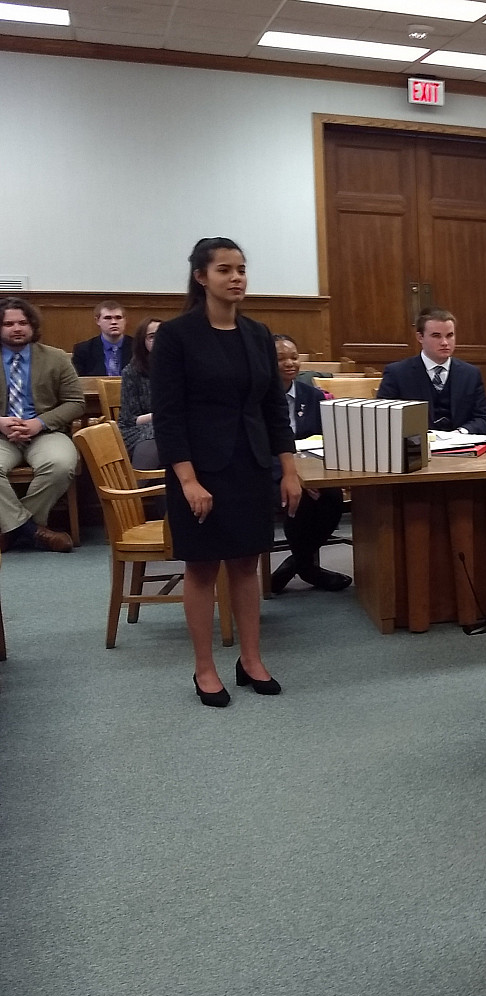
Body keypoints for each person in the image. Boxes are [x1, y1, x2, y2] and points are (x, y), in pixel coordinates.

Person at [153, 237, 300, 708]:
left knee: (246, 564)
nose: (236, 277)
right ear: (201, 277)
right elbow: (168, 415)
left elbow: (275, 409)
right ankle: (204, 668)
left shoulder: (258, 334)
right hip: (199, 471)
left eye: (241, 269)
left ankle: (251, 660)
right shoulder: (177, 336)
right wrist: (188, 480)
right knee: (201, 567)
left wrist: (289, 470)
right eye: (224, 270)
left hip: (251, 467)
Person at [270, 334, 352, 594]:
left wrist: (312, 478)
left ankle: (296, 564)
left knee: (332, 499)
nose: (289, 363)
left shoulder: (313, 396)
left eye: (293, 357)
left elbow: (324, 442)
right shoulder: (259, 397)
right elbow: (261, 447)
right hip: (273, 473)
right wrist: (295, 478)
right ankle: (309, 569)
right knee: (299, 501)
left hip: (313, 471)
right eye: (281, 358)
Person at [0, 297, 82, 552]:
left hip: (46, 432)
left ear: (32, 325)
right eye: (8, 323)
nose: (17, 328)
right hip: (2, 435)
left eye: (23, 322)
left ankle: (11, 530)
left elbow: (75, 403)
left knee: (60, 464)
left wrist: (40, 423)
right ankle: (33, 532)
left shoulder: (56, 358)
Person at [376, 307, 486, 434]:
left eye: (450, 335)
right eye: (436, 336)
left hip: (461, 446)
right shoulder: (397, 373)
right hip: (417, 448)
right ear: (420, 337)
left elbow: (483, 419)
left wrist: (460, 433)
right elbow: (384, 419)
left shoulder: (471, 374)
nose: (444, 342)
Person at [118, 317, 163, 469]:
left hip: (173, 424)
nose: (158, 341)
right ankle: (138, 489)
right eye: (152, 337)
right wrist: (162, 415)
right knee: (162, 432)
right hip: (135, 430)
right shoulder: (131, 372)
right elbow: (129, 420)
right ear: (142, 341)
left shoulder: (181, 368)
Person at [71, 300, 133, 376]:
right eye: (108, 318)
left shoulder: (139, 347)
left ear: (125, 320)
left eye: (118, 317)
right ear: (97, 321)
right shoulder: (83, 350)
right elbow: (80, 381)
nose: (113, 322)